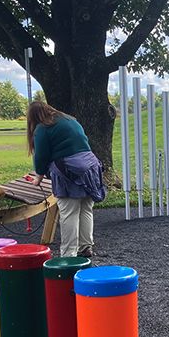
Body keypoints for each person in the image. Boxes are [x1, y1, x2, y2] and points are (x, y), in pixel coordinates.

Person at [27, 101, 106, 258]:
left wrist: (38, 178)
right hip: (90, 166)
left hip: (69, 170)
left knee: (69, 212)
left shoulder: (42, 128)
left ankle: (68, 254)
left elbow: (41, 157)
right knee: (85, 208)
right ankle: (85, 247)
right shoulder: (70, 119)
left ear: (33, 117)